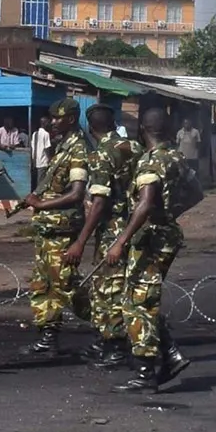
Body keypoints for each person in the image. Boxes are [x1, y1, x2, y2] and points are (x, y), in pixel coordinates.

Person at [105, 105, 193, 393]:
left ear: (142, 131)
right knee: (145, 297)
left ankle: (145, 372)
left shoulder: (150, 162)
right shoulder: (177, 157)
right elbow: (197, 193)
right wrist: (170, 214)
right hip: (166, 233)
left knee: (136, 303)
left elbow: (144, 202)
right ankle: (171, 355)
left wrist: (120, 241)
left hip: (150, 239)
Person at [16, 97, 92, 358]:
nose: (53, 122)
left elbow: (76, 193)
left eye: (58, 118)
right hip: (48, 231)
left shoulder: (78, 148)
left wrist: (42, 204)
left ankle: (117, 328)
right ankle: (48, 338)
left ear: (71, 119)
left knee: (67, 287)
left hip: (62, 230)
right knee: (43, 286)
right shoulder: (62, 146)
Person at [68, 103, 143, 369]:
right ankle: (109, 340)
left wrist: (81, 241)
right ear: (113, 124)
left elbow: (99, 202)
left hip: (113, 229)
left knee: (109, 288)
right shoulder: (135, 148)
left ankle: (115, 346)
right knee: (122, 285)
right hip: (136, 224)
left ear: (90, 128)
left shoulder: (101, 155)